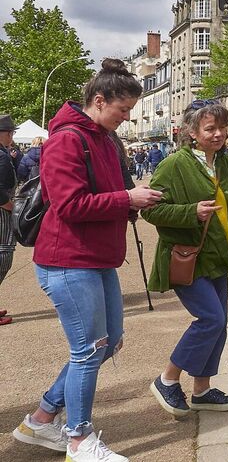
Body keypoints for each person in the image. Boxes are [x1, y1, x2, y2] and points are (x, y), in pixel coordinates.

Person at [11, 59, 162, 462]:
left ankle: (41, 420)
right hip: (67, 260)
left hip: (94, 259)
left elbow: (106, 194)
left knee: (106, 344)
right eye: (123, 109)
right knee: (89, 349)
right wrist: (126, 200)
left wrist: (128, 204)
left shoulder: (104, 138)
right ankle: (78, 440)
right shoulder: (67, 139)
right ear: (99, 100)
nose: (127, 118)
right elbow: (70, 204)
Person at [142, 100, 228, 418]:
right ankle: (167, 379)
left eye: (222, 128)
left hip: (218, 257)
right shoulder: (175, 165)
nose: (218, 134)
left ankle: (202, 390)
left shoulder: (225, 164)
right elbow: (149, 208)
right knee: (211, 320)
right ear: (192, 132)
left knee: (219, 326)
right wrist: (192, 213)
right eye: (210, 128)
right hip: (188, 259)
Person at [0, 113, 18, 327]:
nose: (11, 136)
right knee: (3, 255)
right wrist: (11, 208)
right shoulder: (1, 155)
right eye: (10, 132)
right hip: (2, 211)